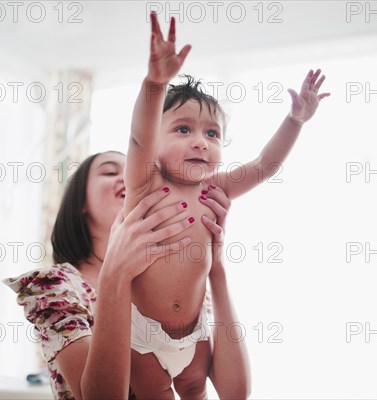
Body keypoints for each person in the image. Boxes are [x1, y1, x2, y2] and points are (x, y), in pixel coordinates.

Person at [125, 11, 329, 398]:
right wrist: (155, 83)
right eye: (183, 129)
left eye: (212, 133)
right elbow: (137, 139)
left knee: (195, 389)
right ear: (156, 139)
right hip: (144, 335)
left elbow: (264, 166)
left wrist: (295, 121)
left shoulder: (213, 188)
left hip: (196, 330)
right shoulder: (145, 184)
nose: (201, 141)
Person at [4, 151, 250, 400]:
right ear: (80, 202)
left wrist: (215, 269)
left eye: (136, 173)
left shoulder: (176, 285)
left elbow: (235, 392)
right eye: (111, 172)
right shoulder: (56, 287)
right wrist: (116, 274)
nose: (131, 180)